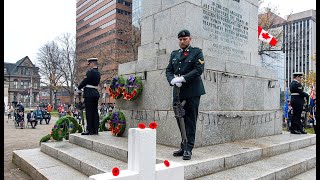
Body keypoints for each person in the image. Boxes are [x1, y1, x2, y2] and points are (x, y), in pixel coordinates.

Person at [165, 29, 206, 160]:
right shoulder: (174, 54)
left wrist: (182, 79)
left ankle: (188, 148)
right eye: (180, 39)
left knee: (190, 120)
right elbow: (168, 70)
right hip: (178, 92)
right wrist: (172, 80)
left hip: (192, 91)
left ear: (190, 39)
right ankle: (183, 145)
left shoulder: (197, 52)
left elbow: (198, 70)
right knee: (179, 118)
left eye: (185, 39)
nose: (182, 41)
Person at [76, 58, 101, 135]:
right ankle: (95, 130)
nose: (89, 65)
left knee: (89, 112)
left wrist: (79, 88)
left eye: (89, 64)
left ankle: (89, 130)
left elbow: (85, 81)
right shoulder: (98, 73)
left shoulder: (90, 72)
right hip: (95, 94)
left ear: (92, 63)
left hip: (89, 94)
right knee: (95, 112)